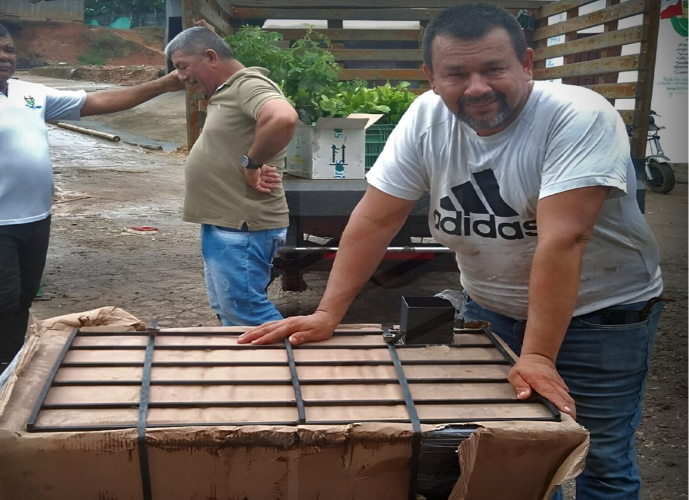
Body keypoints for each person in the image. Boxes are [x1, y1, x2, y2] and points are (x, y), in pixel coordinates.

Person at [238, 4, 664, 500]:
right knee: (508, 451)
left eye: (494, 68)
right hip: (491, 310)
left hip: (601, 316)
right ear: (432, 78)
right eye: (457, 74)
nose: (477, 88)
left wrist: (538, 356)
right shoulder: (427, 118)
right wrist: (328, 312)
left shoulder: (578, 116)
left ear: (527, 64)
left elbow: (563, 239)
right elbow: (376, 219)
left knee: (600, 459)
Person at [0, 20, 185, 411]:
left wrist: (163, 85)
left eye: (8, 49)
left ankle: (9, 371)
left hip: (35, 219)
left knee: (21, 300)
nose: (2, 56)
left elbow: (96, 102)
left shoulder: (29, 93)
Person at [165, 26, 298, 326]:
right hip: (225, 224)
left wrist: (251, 164)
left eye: (183, 66)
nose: (181, 76)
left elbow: (283, 116)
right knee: (229, 310)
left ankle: (288, 355)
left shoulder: (246, 85)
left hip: (242, 227)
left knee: (247, 311)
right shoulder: (226, 92)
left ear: (211, 57)